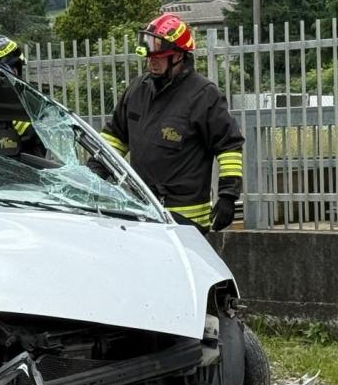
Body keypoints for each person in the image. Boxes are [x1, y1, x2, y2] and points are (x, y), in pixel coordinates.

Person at [97, 14, 244, 233]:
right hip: (144, 211)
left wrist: (228, 196)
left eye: (159, 57)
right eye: (149, 56)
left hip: (187, 219)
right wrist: (95, 169)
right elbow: (116, 137)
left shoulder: (203, 95)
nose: (151, 62)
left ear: (177, 56)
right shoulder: (138, 89)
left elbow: (229, 147)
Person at [0, 35, 45, 159]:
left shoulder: (28, 105)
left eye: (14, 69)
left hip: (23, 175)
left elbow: (40, 151)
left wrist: (29, 129)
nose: (13, 74)